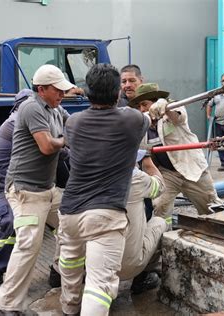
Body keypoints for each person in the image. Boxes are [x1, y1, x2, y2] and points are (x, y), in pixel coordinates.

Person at [58, 63, 149, 316]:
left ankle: (69, 308)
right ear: (117, 93)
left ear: (88, 92)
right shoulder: (131, 120)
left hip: (70, 213)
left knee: (71, 265)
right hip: (105, 215)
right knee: (100, 284)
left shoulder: (73, 123)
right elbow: (148, 117)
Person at [0, 64, 74, 315]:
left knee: (73, 224)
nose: (62, 94)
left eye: (63, 90)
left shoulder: (55, 108)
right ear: (41, 89)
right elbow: (48, 147)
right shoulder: (31, 108)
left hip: (48, 192)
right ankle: (6, 306)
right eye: (57, 90)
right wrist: (66, 142)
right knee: (28, 245)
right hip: (26, 193)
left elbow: (75, 126)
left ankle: (58, 272)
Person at [129, 83, 224, 219]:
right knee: (160, 207)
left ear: (156, 101)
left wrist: (166, 106)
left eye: (144, 104)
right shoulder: (142, 126)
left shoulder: (172, 112)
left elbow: (178, 116)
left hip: (191, 168)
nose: (142, 109)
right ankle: (163, 234)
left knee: (212, 208)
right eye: (139, 107)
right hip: (168, 174)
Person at [0, 89, 32, 302]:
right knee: (11, 222)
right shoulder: (15, 124)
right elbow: (50, 149)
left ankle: (58, 271)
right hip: (3, 186)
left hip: (22, 184)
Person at [118, 150, 168, 295]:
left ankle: (59, 274)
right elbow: (161, 185)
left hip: (92, 262)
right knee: (160, 222)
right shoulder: (136, 178)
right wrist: (148, 161)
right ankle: (142, 279)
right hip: (124, 266)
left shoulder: (88, 175)